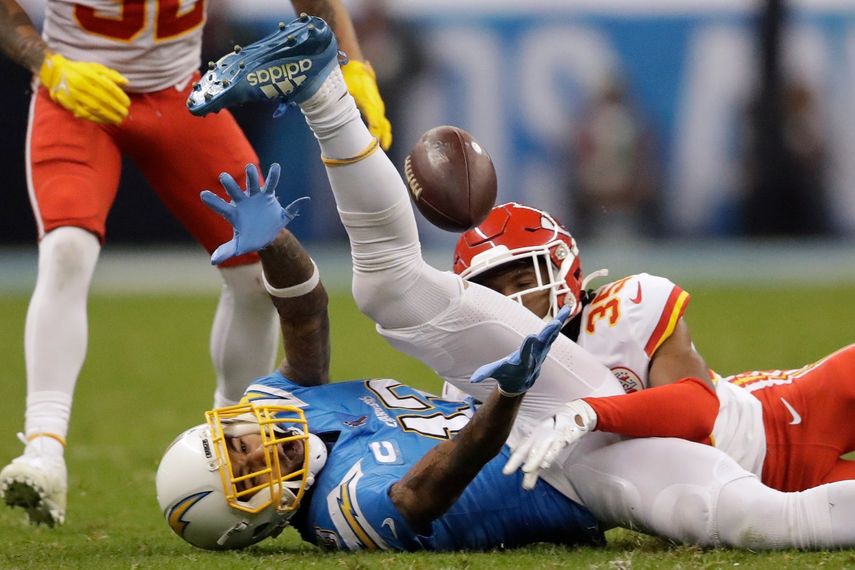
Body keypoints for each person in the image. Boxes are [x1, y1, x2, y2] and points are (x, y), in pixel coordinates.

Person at [175, 15, 855, 550]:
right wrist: (513, 397)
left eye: (237, 440)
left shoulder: (277, 407)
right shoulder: (341, 508)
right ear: (254, 519)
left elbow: (305, 317)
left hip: (568, 419)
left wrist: (275, 243)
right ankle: (322, 90)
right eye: (246, 466)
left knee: (386, 291)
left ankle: (322, 90)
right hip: (563, 465)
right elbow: (423, 495)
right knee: (771, 524)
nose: (256, 445)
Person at [0, 0, 391, 527]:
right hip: (78, 92)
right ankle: (43, 450)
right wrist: (48, 64)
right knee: (67, 249)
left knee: (259, 271)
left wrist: (353, 64)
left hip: (180, 94)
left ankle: (236, 437)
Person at [449, 201, 855, 493]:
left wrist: (589, 412)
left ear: (563, 269)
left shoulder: (625, 309)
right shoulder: (477, 380)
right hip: (747, 494)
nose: (512, 303)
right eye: (494, 294)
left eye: (524, 283)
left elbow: (698, 409)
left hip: (784, 415)